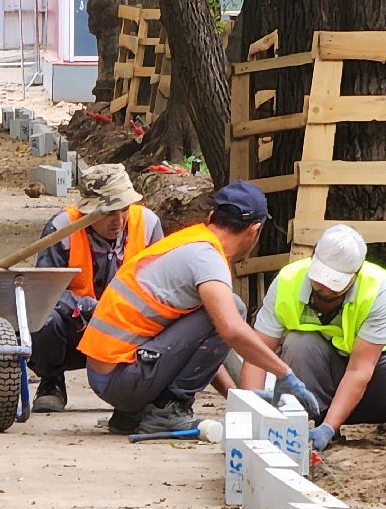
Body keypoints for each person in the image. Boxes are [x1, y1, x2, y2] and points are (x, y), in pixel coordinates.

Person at [78, 181, 323, 435]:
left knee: (220, 312)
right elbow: (231, 331)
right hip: (121, 380)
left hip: (107, 375)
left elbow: (193, 351)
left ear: (211, 217)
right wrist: (284, 374)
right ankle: (164, 412)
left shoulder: (190, 241)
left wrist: (235, 395)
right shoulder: (207, 259)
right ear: (254, 230)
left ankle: (137, 413)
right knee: (234, 309)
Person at [243, 224, 386, 449]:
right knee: (298, 343)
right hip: (322, 386)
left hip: (378, 384)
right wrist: (252, 418)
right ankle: (319, 419)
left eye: (334, 284)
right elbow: (256, 355)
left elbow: (359, 370)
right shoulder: (288, 281)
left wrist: (328, 428)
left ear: (356, 272)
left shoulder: (378, 289)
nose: (324, 288)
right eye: (320, 279)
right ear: (313, 255)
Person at [30, 165, 164, 412]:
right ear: (89, 212)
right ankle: (51, 380)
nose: (119, 220)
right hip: (77, 327)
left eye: (124, 209)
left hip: (129, 326)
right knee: (43, 320)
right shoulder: (62, 228)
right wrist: (90, 308)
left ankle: (143, 386)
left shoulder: (148, 224)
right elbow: (44, 291)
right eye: (109, 212)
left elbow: (163, 283)